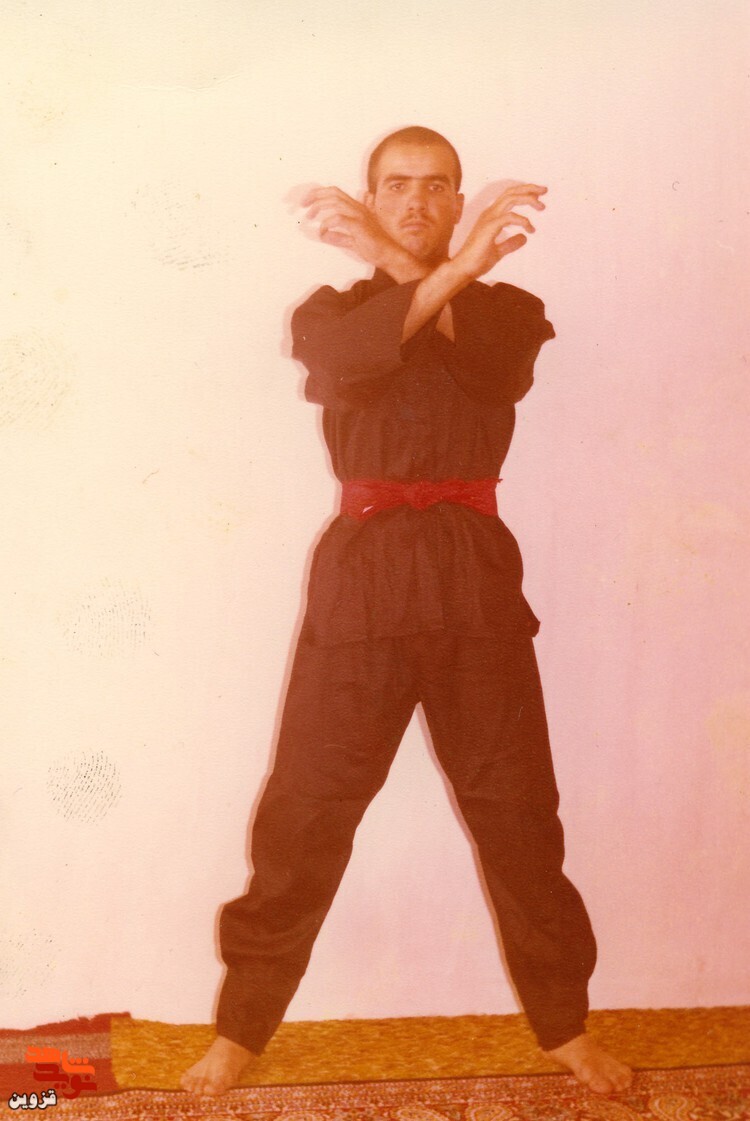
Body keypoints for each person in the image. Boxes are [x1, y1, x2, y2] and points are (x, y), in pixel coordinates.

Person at [181, 127, 632, 1097]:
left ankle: (566, 1024)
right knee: (306, 811)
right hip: (363, 580)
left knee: (519, 813)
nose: (417, 201)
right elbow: (353, 362)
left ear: (460, 201)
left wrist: (445, 271)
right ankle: (242, 1027)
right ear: (371, 196)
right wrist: (436, 269)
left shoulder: (508, 312)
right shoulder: (331, 312)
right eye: (396, 186)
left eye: (436, 186)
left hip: (475, 582)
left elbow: (495, 371)